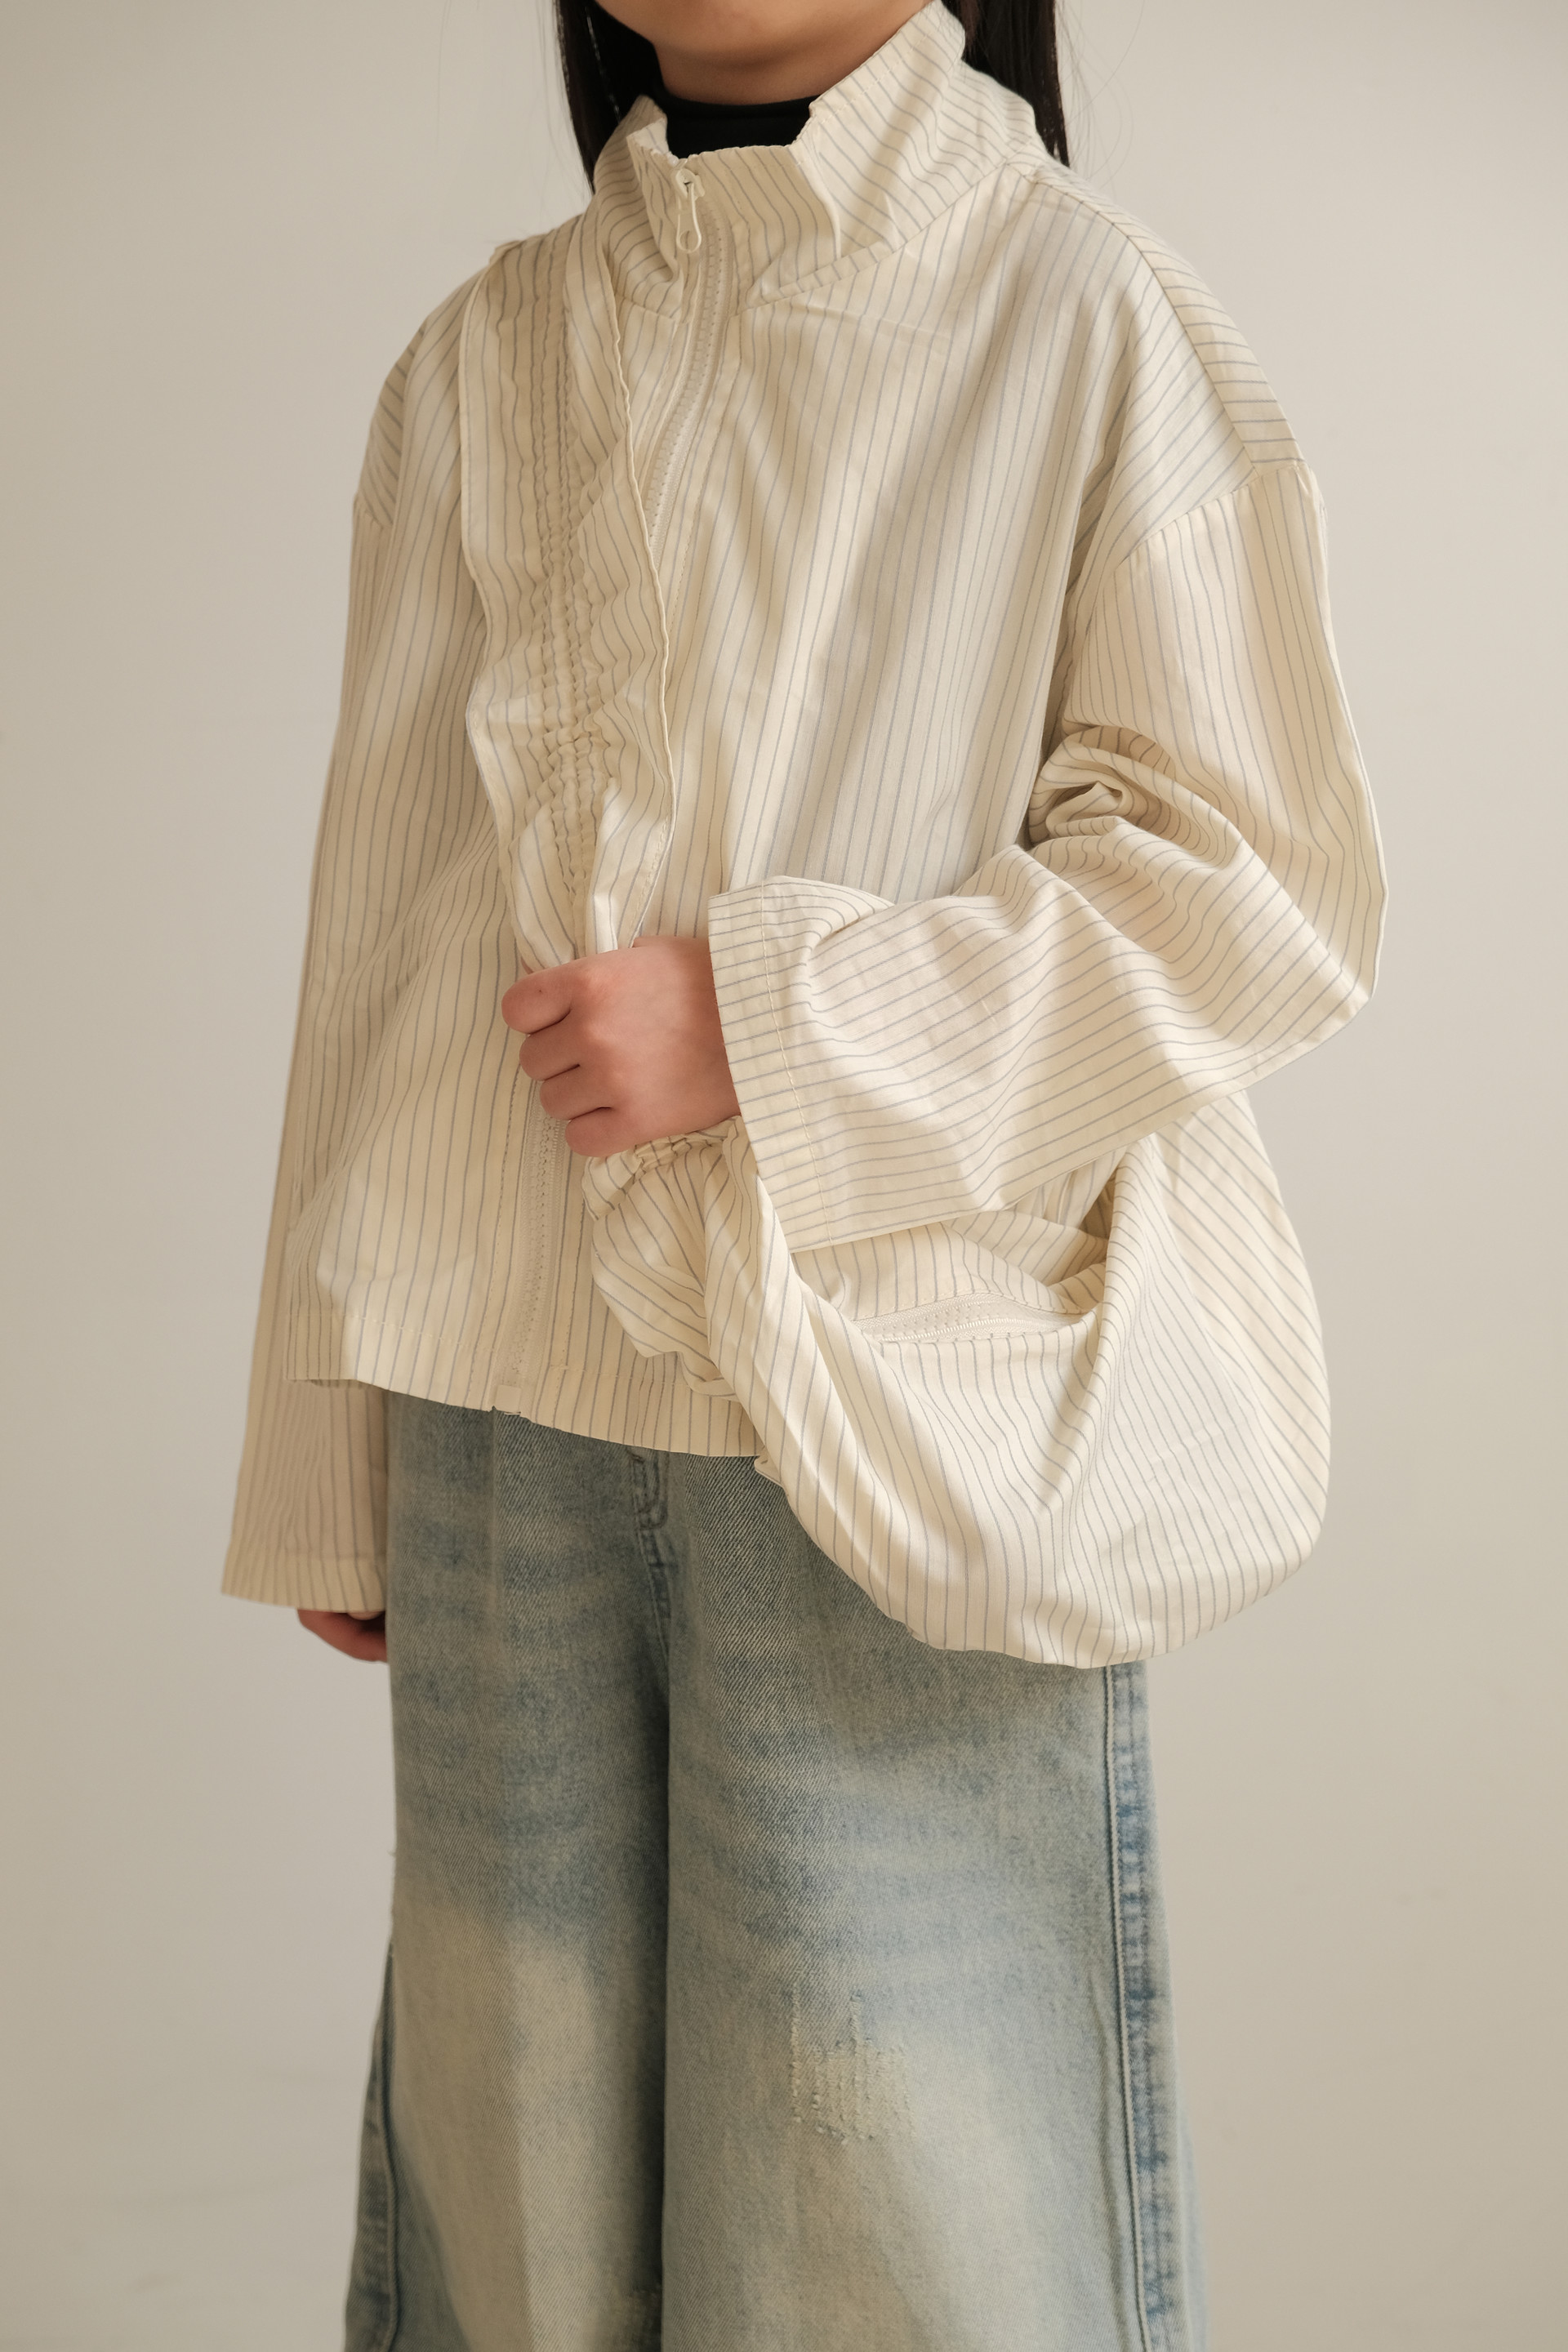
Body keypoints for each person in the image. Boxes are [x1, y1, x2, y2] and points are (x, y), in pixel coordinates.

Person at [225, 0, 1386, 2341]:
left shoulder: (1083, 311)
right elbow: (386, 930)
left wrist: (769, 1025)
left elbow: (1253, 888)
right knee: (516, 2232)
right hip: (498, 1432)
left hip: (896, 1424)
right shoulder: (483, 356)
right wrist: (325, 1459)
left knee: (905, 2252)